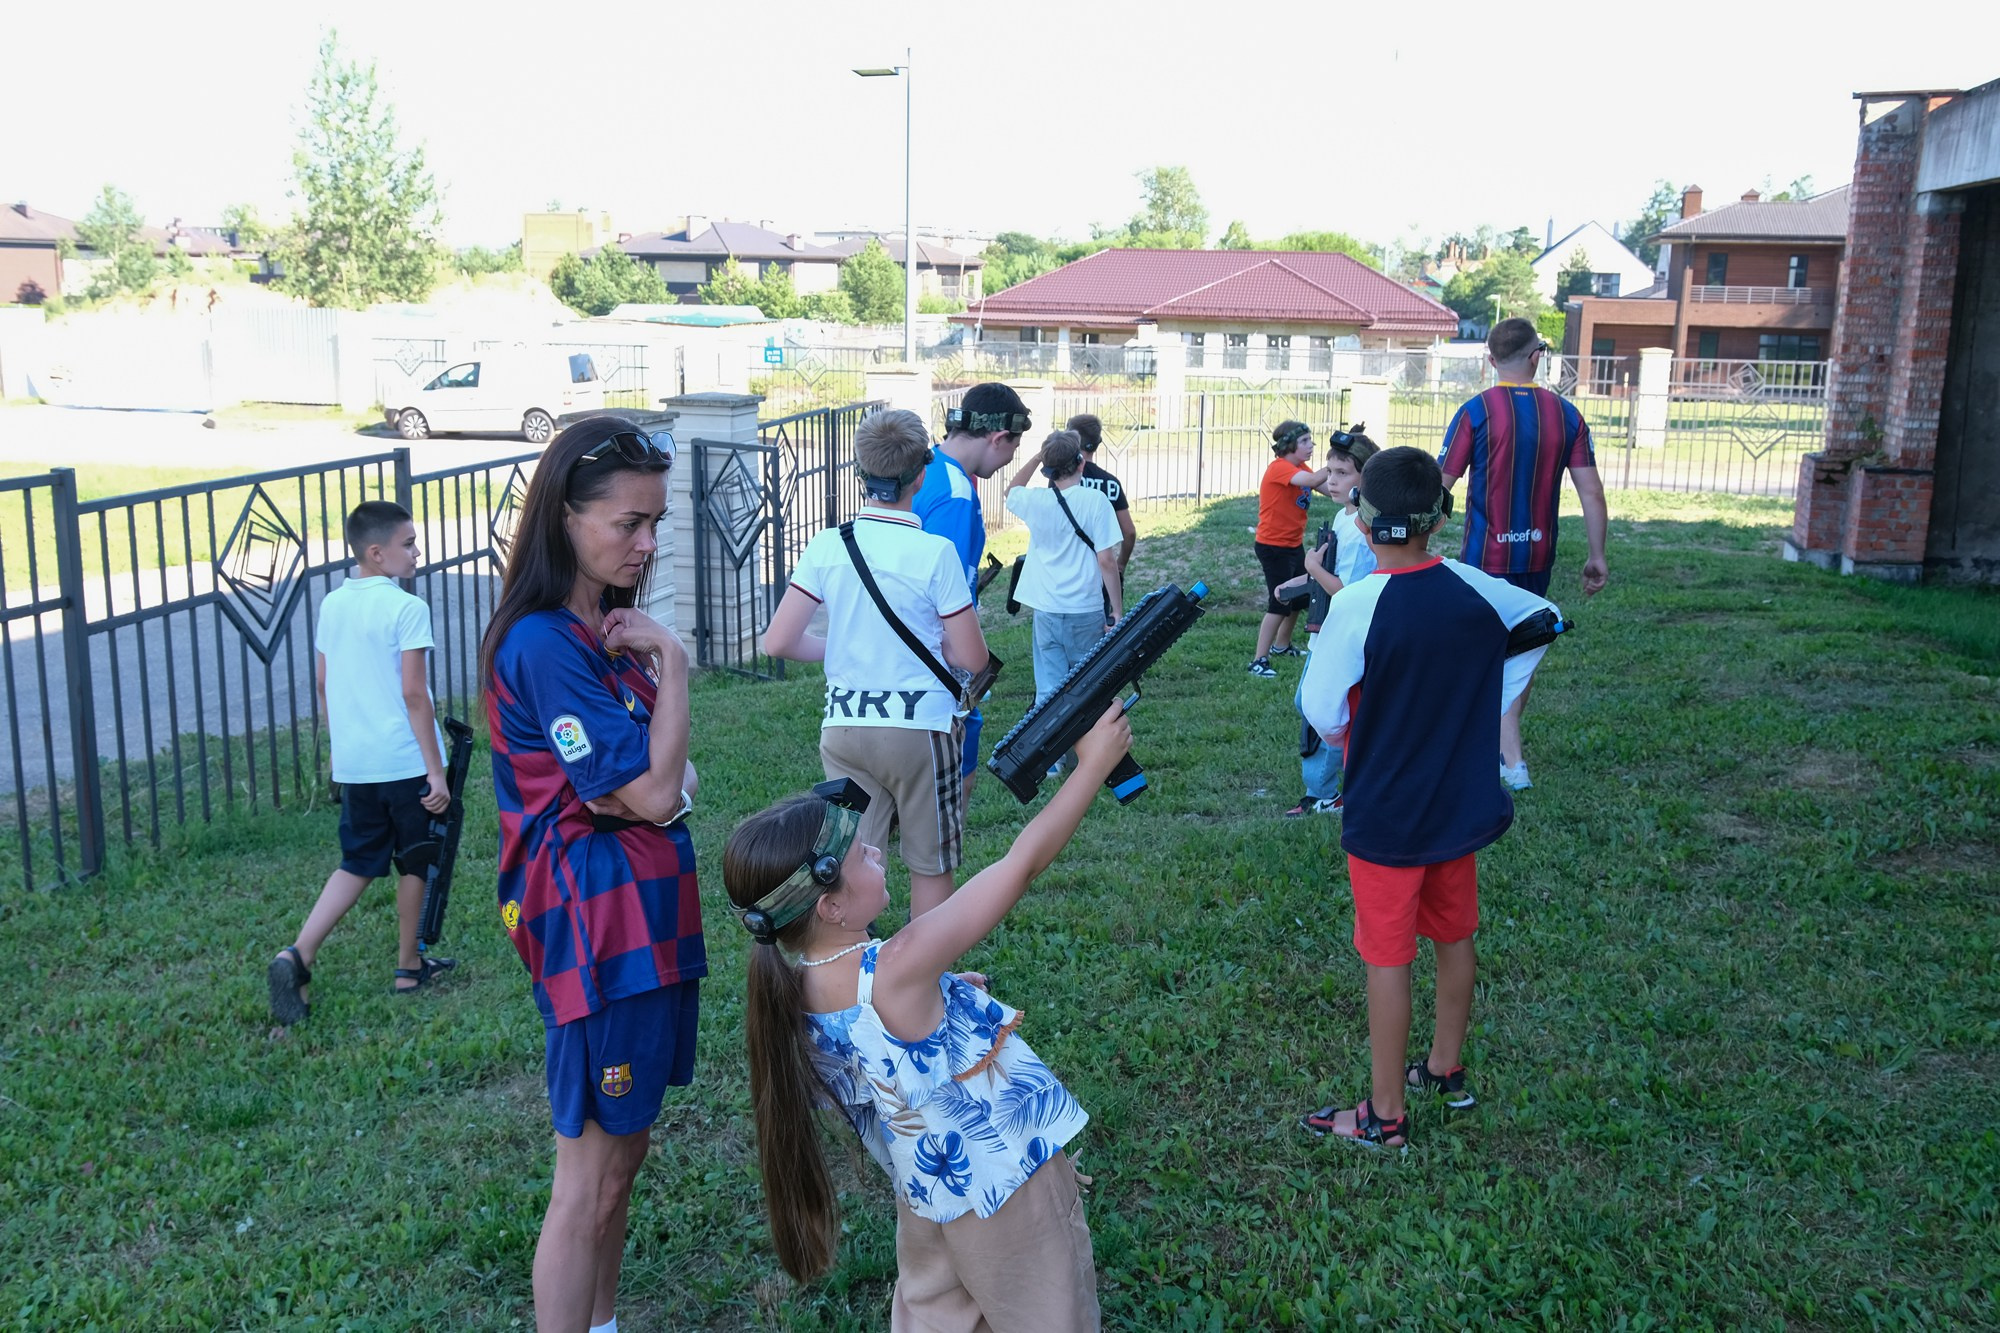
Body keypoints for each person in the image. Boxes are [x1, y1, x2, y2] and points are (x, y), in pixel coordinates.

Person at [723, 701, 1132, 1330]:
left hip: (929, 1192)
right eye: (864, 855)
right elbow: (1020, 865)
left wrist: (945, 997)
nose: (879, 854)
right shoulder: (899, 966)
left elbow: (892, 1059)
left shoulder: (792, 987)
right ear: (829, 908)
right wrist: (1092, 766)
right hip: (1006, 1186)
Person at [478, 416, 702, 1333]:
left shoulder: (600, 633)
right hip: (596, 933)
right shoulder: (545, 645)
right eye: (628, 523)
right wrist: (675, 668)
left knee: (625, 1158)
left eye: (656, 523)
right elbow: (657, 788)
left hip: (646, 926)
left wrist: (656, 779)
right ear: (565, 517)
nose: (647, 544)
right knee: (587, 1179)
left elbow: (668, 780)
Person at [1297, 447, 1558, 1149]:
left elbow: (1320, 708)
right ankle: (1444, 1066)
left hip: (1386, 807)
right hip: (1459, 800)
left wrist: (1358, 728)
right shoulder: (1479, 588)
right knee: (1453, 933)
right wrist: (1490, 702)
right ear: (1441, 519)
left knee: (1388, 954)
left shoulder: (1355, 605)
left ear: (1360, 515)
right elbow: (1545, 617)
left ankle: (1385, 1115)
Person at [764, 408, 991, 921]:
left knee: (852, 862)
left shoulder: (827, 545)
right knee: (929, 867)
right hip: (919, 732)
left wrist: (843, 644)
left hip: (844, 728)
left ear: (860, 472)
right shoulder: (935, 554)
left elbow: (777, 641)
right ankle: (923, 982)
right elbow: (972, 658)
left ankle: (849, 978)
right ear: (921, 474)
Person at [266, 500, 452, 1025]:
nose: (416, 552)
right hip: (404, 761)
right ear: (377, 552)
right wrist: (435, 772)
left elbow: (324, 685)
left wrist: (340, 752)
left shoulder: (332, 605)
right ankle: (408, 966)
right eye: (408, 543)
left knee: (358, 863)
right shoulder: (407, 609)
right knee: (416, 858)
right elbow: (415, 695)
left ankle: (297, 955)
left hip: (357, 765)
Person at [1438, 317, 1609, 790]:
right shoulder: (1567, 414)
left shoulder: (1475, 412)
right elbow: (1591, 493)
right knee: (1523, 649)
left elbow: (1441, 488)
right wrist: (1597, 555)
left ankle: (1507, 761)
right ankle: (1504, 754)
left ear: (1491, 361)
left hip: (1482, 560)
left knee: (1484, 653)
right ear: (1537, 357)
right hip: (1537, 559)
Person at [911, 382, 1030, 793]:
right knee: (945, 812)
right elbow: (945, 594)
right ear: (999, 438)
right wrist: (966, 674)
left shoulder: (922, 469)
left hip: (902, 664)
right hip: (937, 673)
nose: (1011, 458)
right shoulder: (958, 493)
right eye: (1013, 448)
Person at [1004, 429, 1123, 778]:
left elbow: (1011, 490)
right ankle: (1091, 752)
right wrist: (1115, 609)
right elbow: (1106, 561)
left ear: (1048, 471)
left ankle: (1051, 759)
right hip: (1084, 607)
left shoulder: (1037, 502)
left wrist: (1040, 456)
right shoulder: (1095, 501)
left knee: (1049, 684)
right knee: (1088, 682)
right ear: (1081, 462)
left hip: (1046, 606)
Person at [1280, 429, 1378, 817]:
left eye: (1341, 474)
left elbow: (1346, 593)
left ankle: (1324, 793)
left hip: (1342, 634)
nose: (1330, 480)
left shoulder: (1359, 529)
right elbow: (1329, 575)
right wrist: (1301, 581)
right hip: (1329, 632)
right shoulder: (1344, 516)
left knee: (1318, 708)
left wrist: (1311, 567)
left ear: (1364, 480)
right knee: (1314, 705)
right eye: (1330, 471)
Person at [1249, 420, 1340, 679]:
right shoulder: (1280, 468)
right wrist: (1334, 463)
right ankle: (1258, 660)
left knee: (1299, 597)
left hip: (1292, 544)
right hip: (1272, 546)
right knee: (1278, 601)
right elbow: (1312, 480)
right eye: (1305, 441)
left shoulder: (1300, 467)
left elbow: (1324, 487)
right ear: (1288, 445)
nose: (1311, 446)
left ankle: (1282, 645)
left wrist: (1344, 477)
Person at [1066, 413, 1136, 577]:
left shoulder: (1061, 479)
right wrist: (1121, 564)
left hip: (1066, 566)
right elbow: (1129, 532)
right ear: (1097, 443)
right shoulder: (1111, 483)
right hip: (1099, 569)